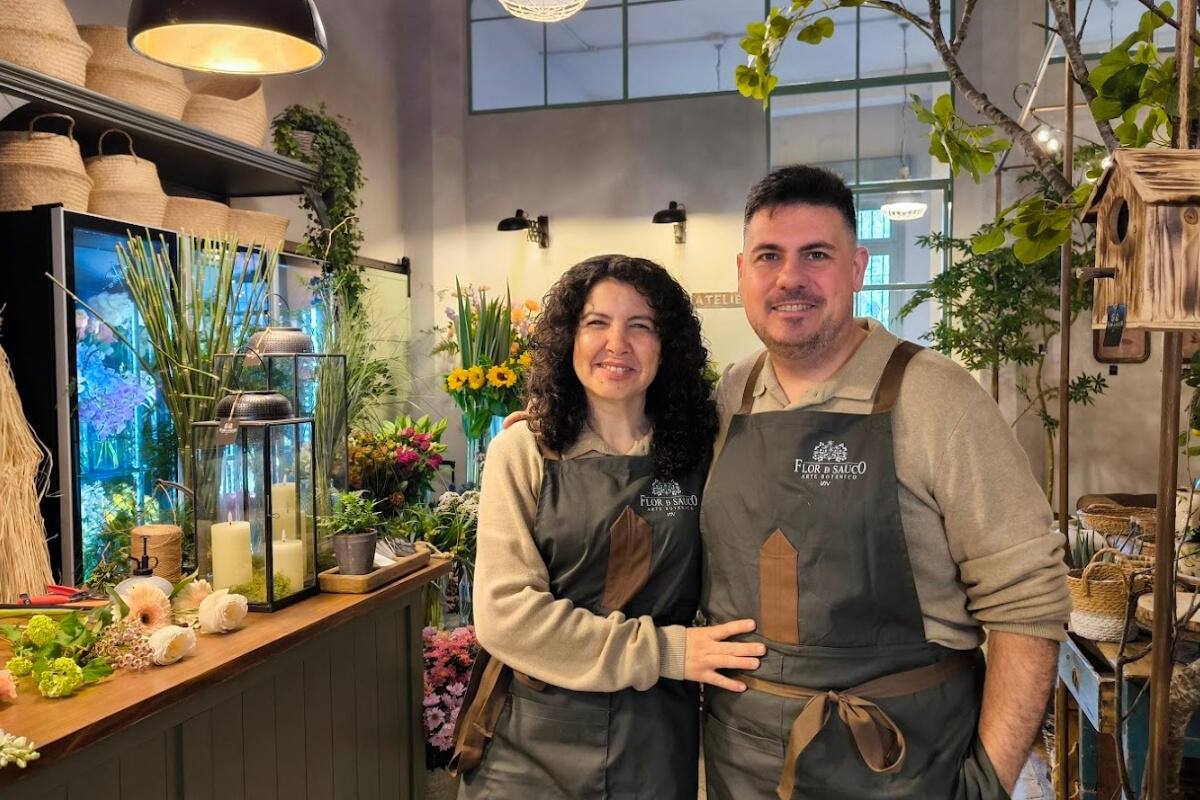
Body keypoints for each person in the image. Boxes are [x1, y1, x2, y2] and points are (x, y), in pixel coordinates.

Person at [700, 165, 1071, 799]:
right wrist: (554, 429)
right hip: (742, 763)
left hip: (903, 763)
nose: (791, 278)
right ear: (742, 273)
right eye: (770, 256)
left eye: (817, 254)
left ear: (857, 267)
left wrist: (988, 782)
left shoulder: (937, 397)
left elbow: (1028, 602)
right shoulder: (728, 397)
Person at [450, 254, 765, 799]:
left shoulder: (703, 453)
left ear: (667, 347)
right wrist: (668, 652)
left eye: (640, 326)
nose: (616, 343)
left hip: (653, 738)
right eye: (596, 323)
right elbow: (505, 617)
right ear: (568, 339)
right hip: (529, 735)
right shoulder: (522, 452)